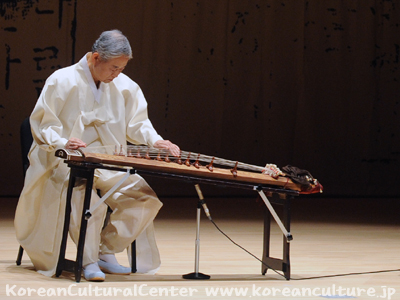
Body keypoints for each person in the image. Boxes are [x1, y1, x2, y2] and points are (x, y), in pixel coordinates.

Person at [14, 30, 180, 281]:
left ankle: (105, 251)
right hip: (63, 161)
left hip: (108, 160)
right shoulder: (61, 80)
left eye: (121, 68)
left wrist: (157, 140)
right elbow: (44, 124)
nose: (117, 74)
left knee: (143, 198)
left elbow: (139, 124)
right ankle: (88, 261)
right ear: (95, 57)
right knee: (87, 202)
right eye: (113, 67)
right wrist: (63, 141)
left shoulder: (125, 86)